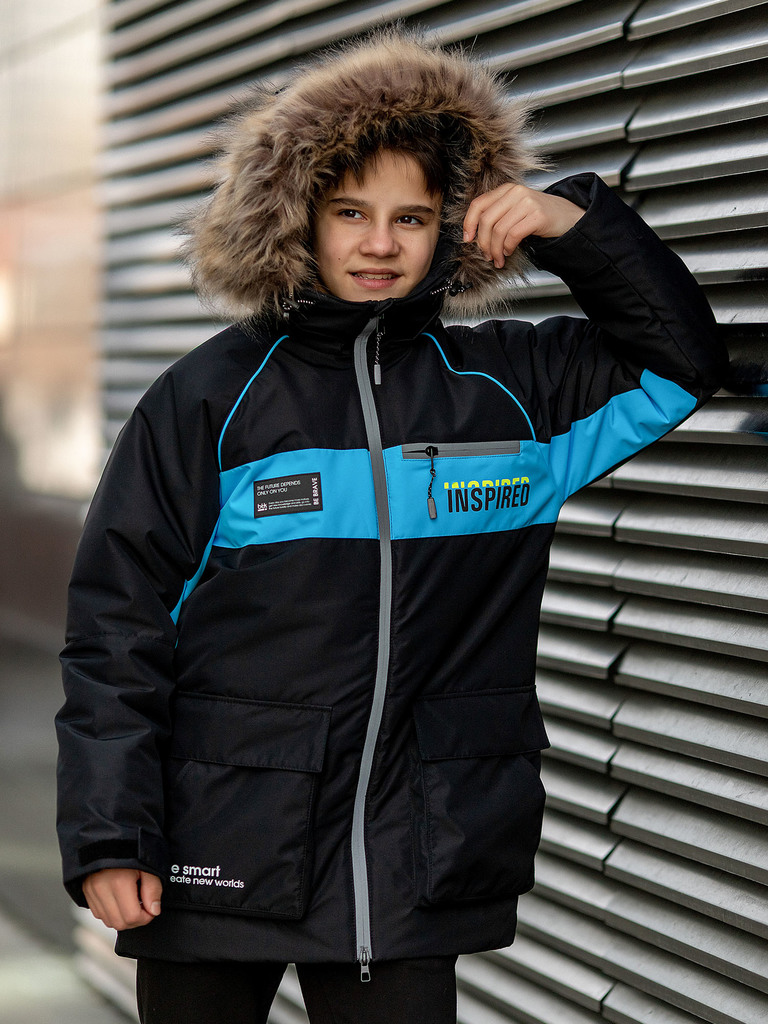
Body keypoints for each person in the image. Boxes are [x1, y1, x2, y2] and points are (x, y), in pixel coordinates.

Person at [56, 28, 725, 1024]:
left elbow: (680, 363)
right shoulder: (211, 398)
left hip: (414, 857)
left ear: (453, 224)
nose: (380, 244)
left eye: (411, 217)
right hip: (219, 844)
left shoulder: (514, 392)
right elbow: (118, 628)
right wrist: (111, 834)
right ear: (297, 217)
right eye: (351, 213)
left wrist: (571, 223)